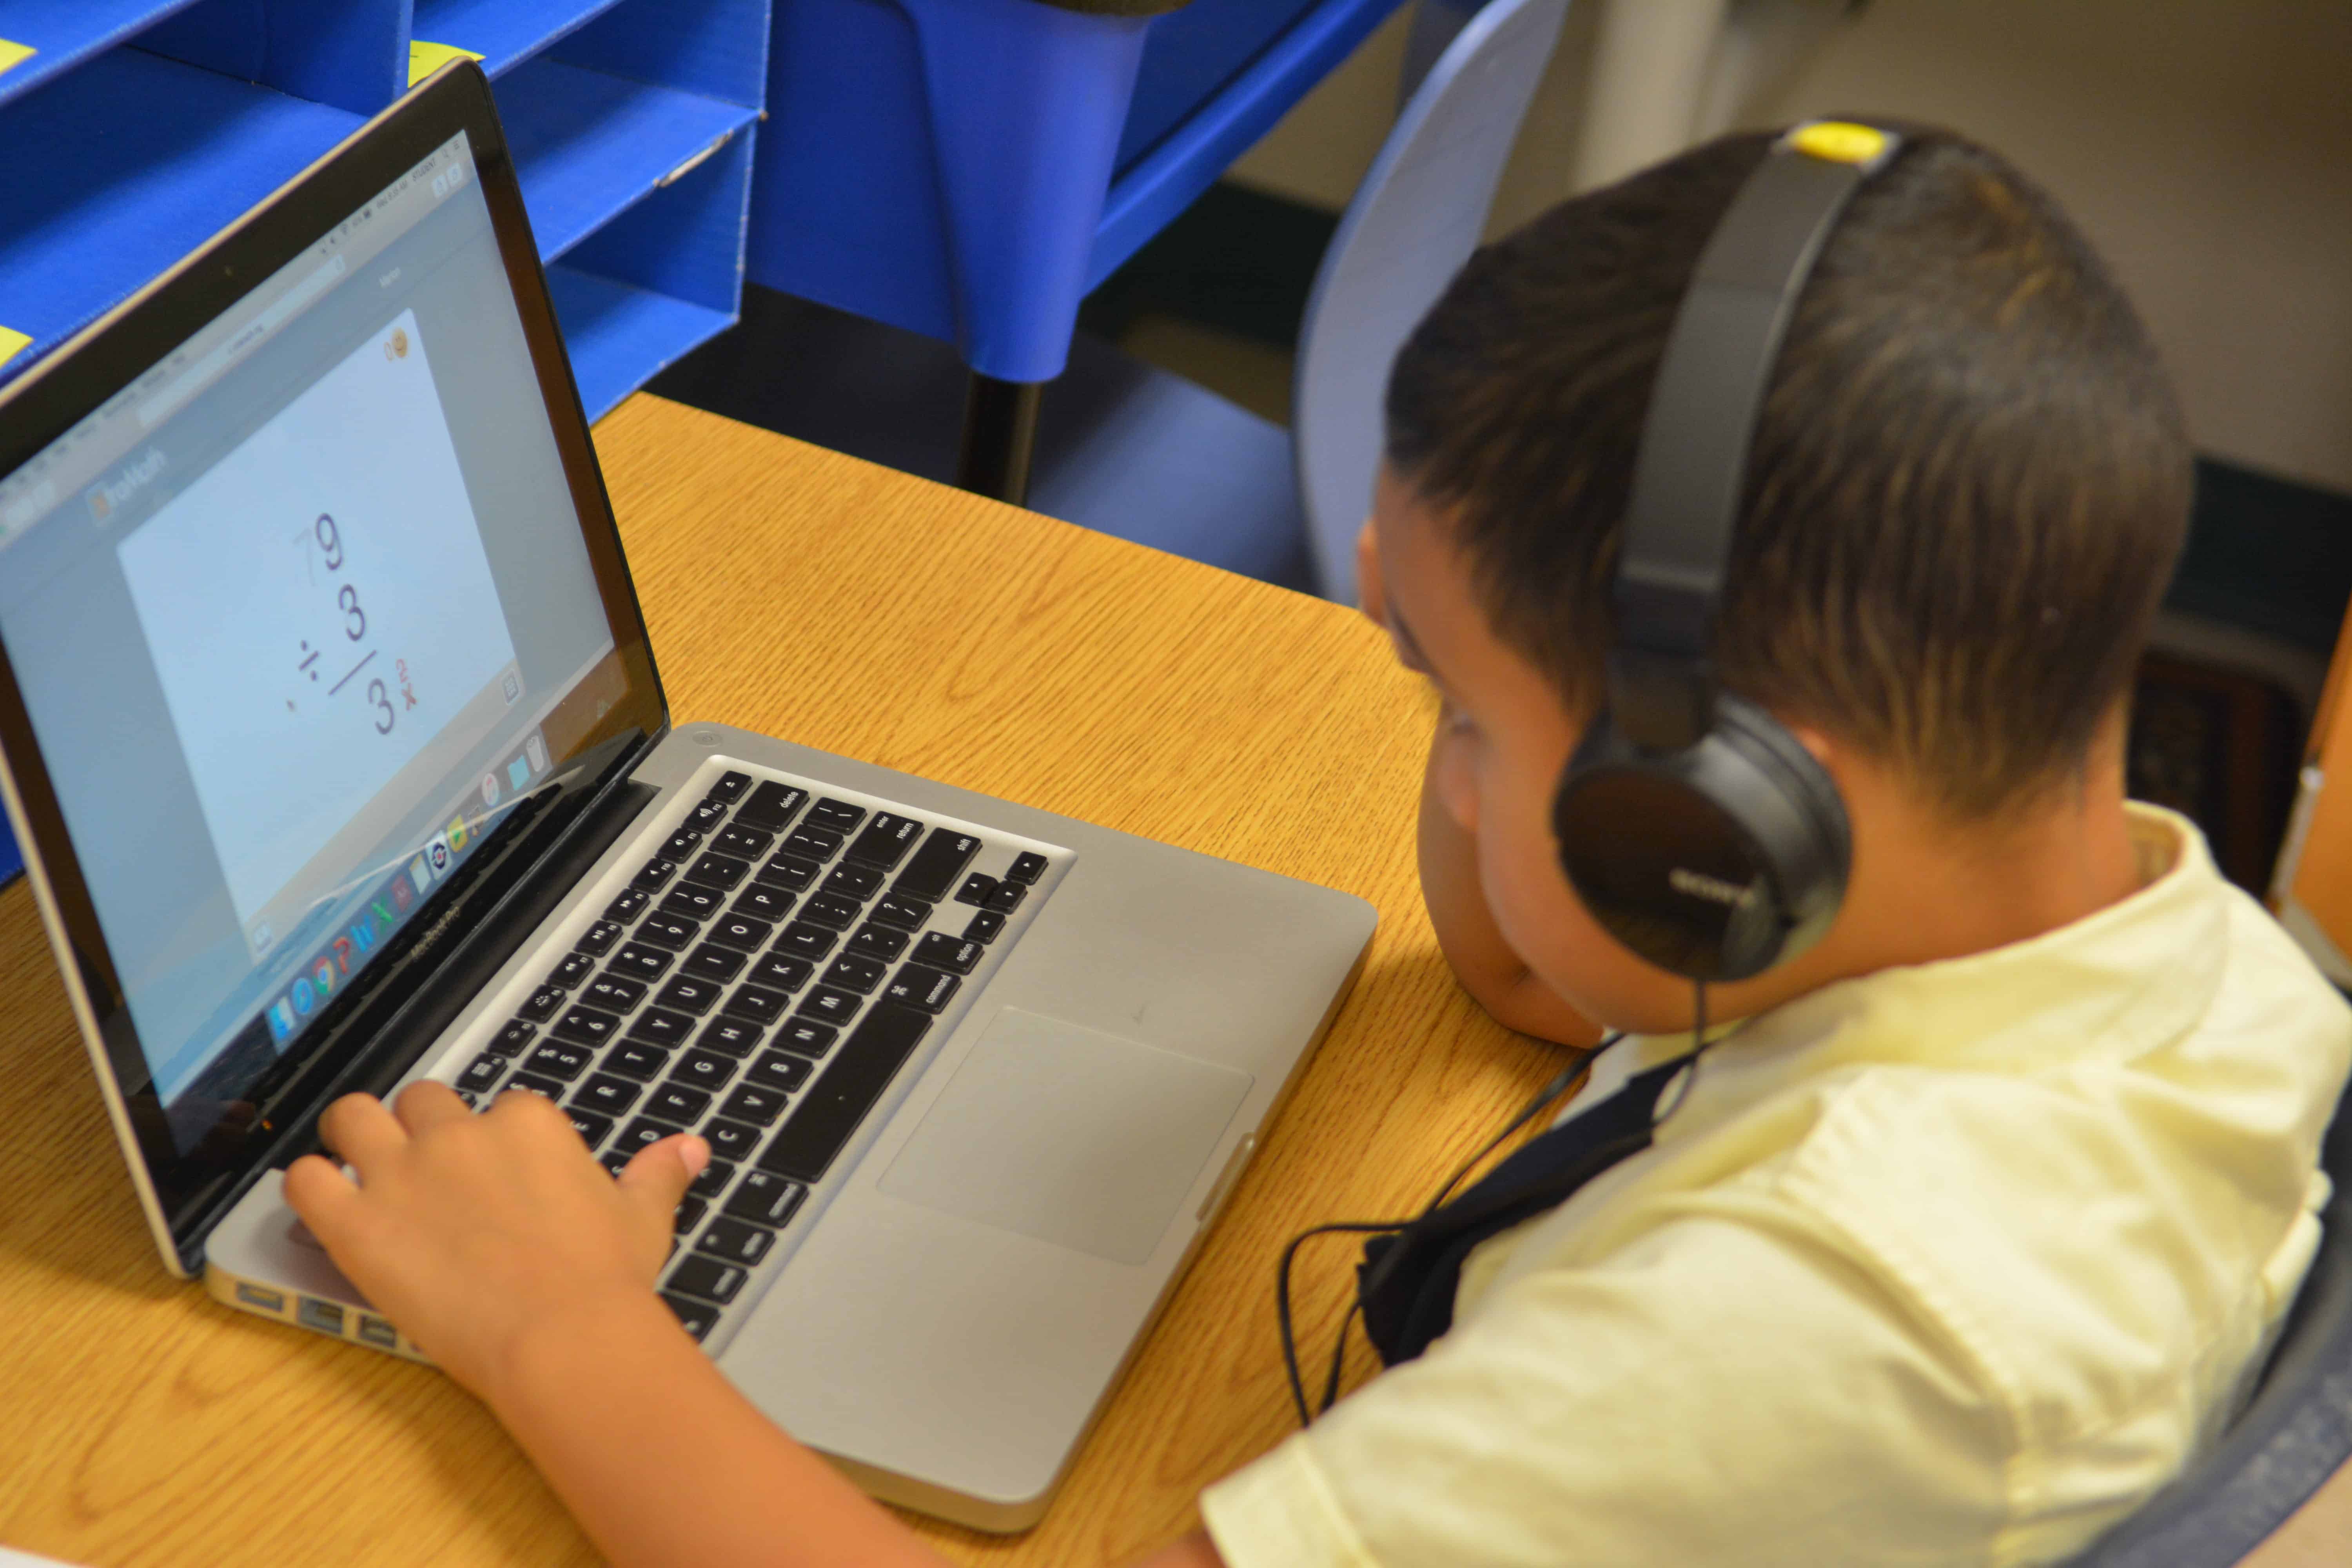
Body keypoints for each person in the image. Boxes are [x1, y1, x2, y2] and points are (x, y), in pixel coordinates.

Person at [284, 123, 2352, 1567]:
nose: (1437, 754)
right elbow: (1532, 979)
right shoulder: (2183, 956)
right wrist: (1500, 689)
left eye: (1460, 715)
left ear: (1698, 833)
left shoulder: (1799, 1319)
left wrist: (560, 1325)